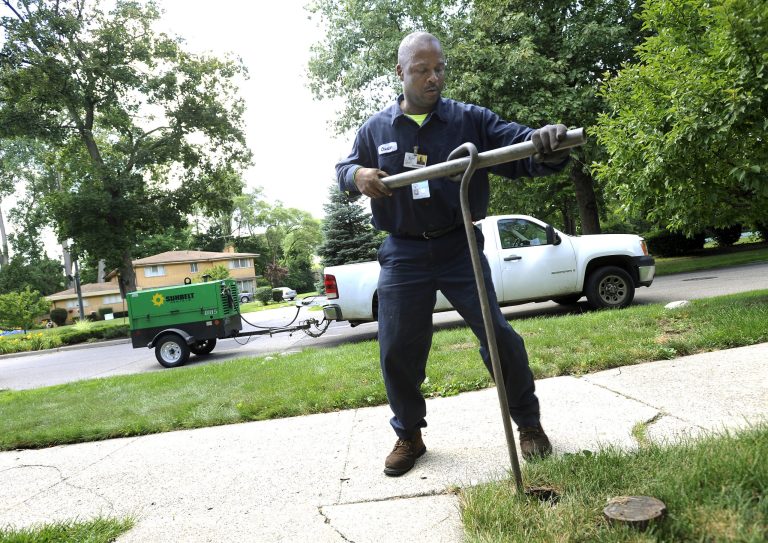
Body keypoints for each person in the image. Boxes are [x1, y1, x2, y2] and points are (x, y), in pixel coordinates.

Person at [335, 31, 571, 477]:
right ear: (401, 72)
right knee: (397, 348)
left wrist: (547, 144)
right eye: (422, 70)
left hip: (459, 243)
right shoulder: (375, 129)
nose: (433, 77)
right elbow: (344, 170)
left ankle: (529, 425)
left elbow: (519, 147)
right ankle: (410, 434)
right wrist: (358, 175)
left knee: (499, 337)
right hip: (402, 252)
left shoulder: (469, 120)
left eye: (439, 68)